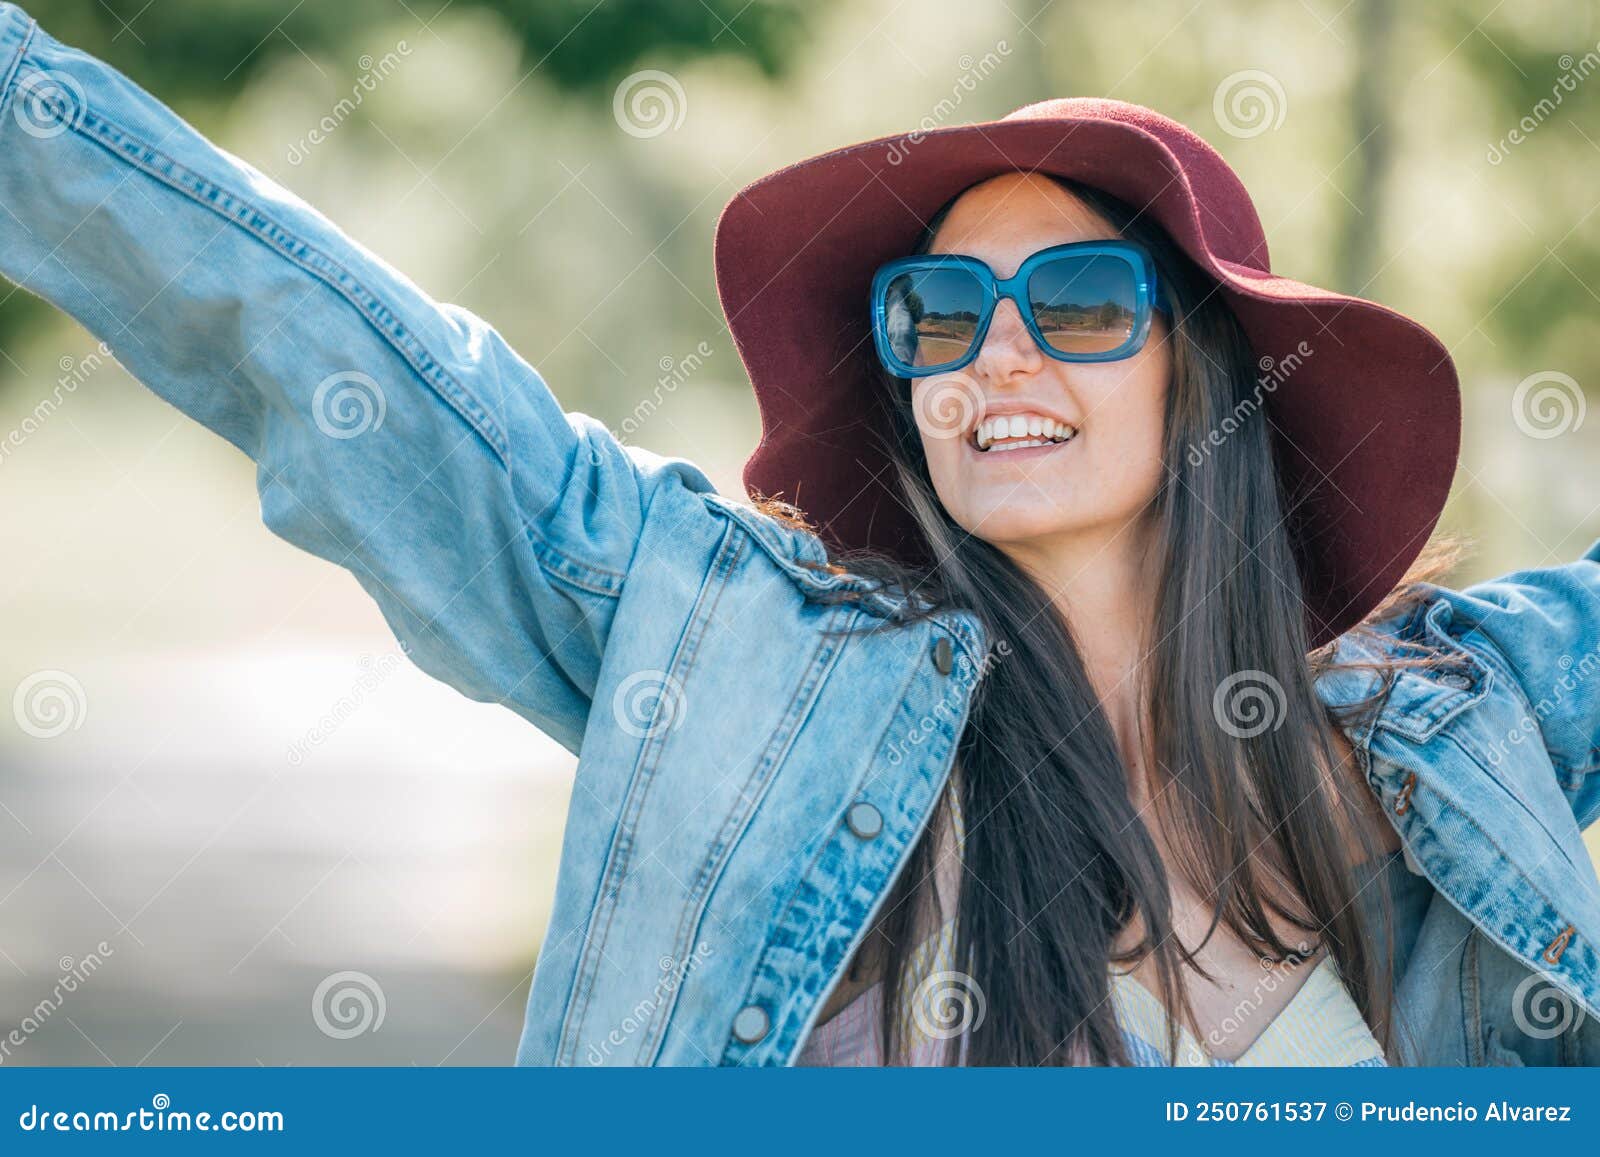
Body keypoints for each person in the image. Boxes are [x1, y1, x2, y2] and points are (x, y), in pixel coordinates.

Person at [1, 3, 1597, 1066]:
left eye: (1084, 302)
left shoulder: (1453, 725)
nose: (999, 355)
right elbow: (343, 358)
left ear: (1214, 383)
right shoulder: (757, 668)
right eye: (940, 313)